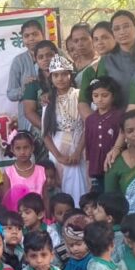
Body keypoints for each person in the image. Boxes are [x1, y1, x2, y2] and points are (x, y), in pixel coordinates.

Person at [79, 11, 135, 119]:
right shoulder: (106, 62)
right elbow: (92, 99)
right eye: (96, 39)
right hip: (117, 120)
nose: (122, 32)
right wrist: (98, 124)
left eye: (105, 37)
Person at [42, 55, 87, 202]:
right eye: (56, 75)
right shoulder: (48, 100)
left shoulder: (80, 95)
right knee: (61, 189)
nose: (60, 79)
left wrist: (78, 151)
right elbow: (45, 134)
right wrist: (59, 156)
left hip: (79, 148)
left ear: (70, 75)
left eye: (63, 74)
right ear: (51, 78)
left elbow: (87, 126)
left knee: (81, 188)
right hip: (57, 150)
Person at [84, 77, 123, 192]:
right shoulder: (90, 119)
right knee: (100, 193)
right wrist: (89, 163)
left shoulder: (119, 116)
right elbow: (88, 143)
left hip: (114, 163)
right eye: (95, 96)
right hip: (96, 165)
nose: (100, 99)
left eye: (105, 95)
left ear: (113, 96)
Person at [7, 19, 46, 132]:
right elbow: (10, 94)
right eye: (26, 36)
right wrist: (24, 88)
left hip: (56, 117)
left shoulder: (56, 53)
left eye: (35, 34)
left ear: (43, 34)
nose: (31, 39)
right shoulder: (19, 61)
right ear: (23, 39)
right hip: (28, 123)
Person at [2, 131, 45, 212]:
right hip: (17, 216)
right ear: (12, 149)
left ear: (32, 148)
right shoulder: (9, 173)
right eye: (18, 148)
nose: (22, 152)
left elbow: (45, 198)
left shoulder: (41, 171)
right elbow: (7, 200)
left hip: (39, 216)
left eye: (26, 147)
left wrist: (48, 217)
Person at [21, 40, 59, 133]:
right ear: (36, 60)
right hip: (44, 133)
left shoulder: (67, 79)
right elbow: (29, 112)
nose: (45, 59)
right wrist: (47, 130)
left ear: (57, 56)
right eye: (41, 57)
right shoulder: (33, 84)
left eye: (49, 55)